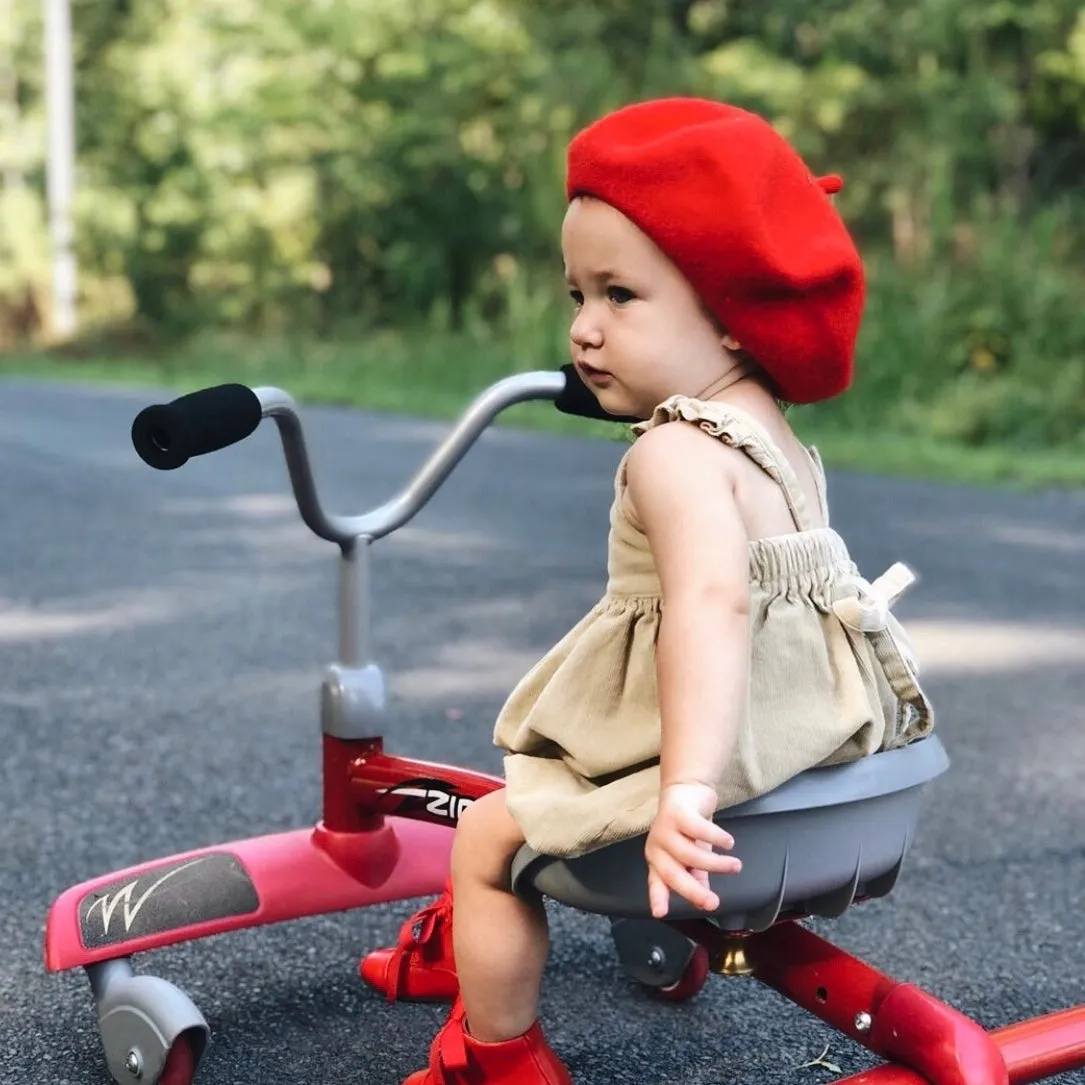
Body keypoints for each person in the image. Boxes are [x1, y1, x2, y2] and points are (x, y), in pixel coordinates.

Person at [361, 97, 936, 1084]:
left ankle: (496, 1055)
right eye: (575, 293)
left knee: (491, 835)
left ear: (728, 308)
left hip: (723, 785)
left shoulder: (672, 452)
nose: (582, 330)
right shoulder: (775, 434)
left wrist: (683, 793)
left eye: (619, 296)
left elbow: (711, 605)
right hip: (811, 758)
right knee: (541, 780)